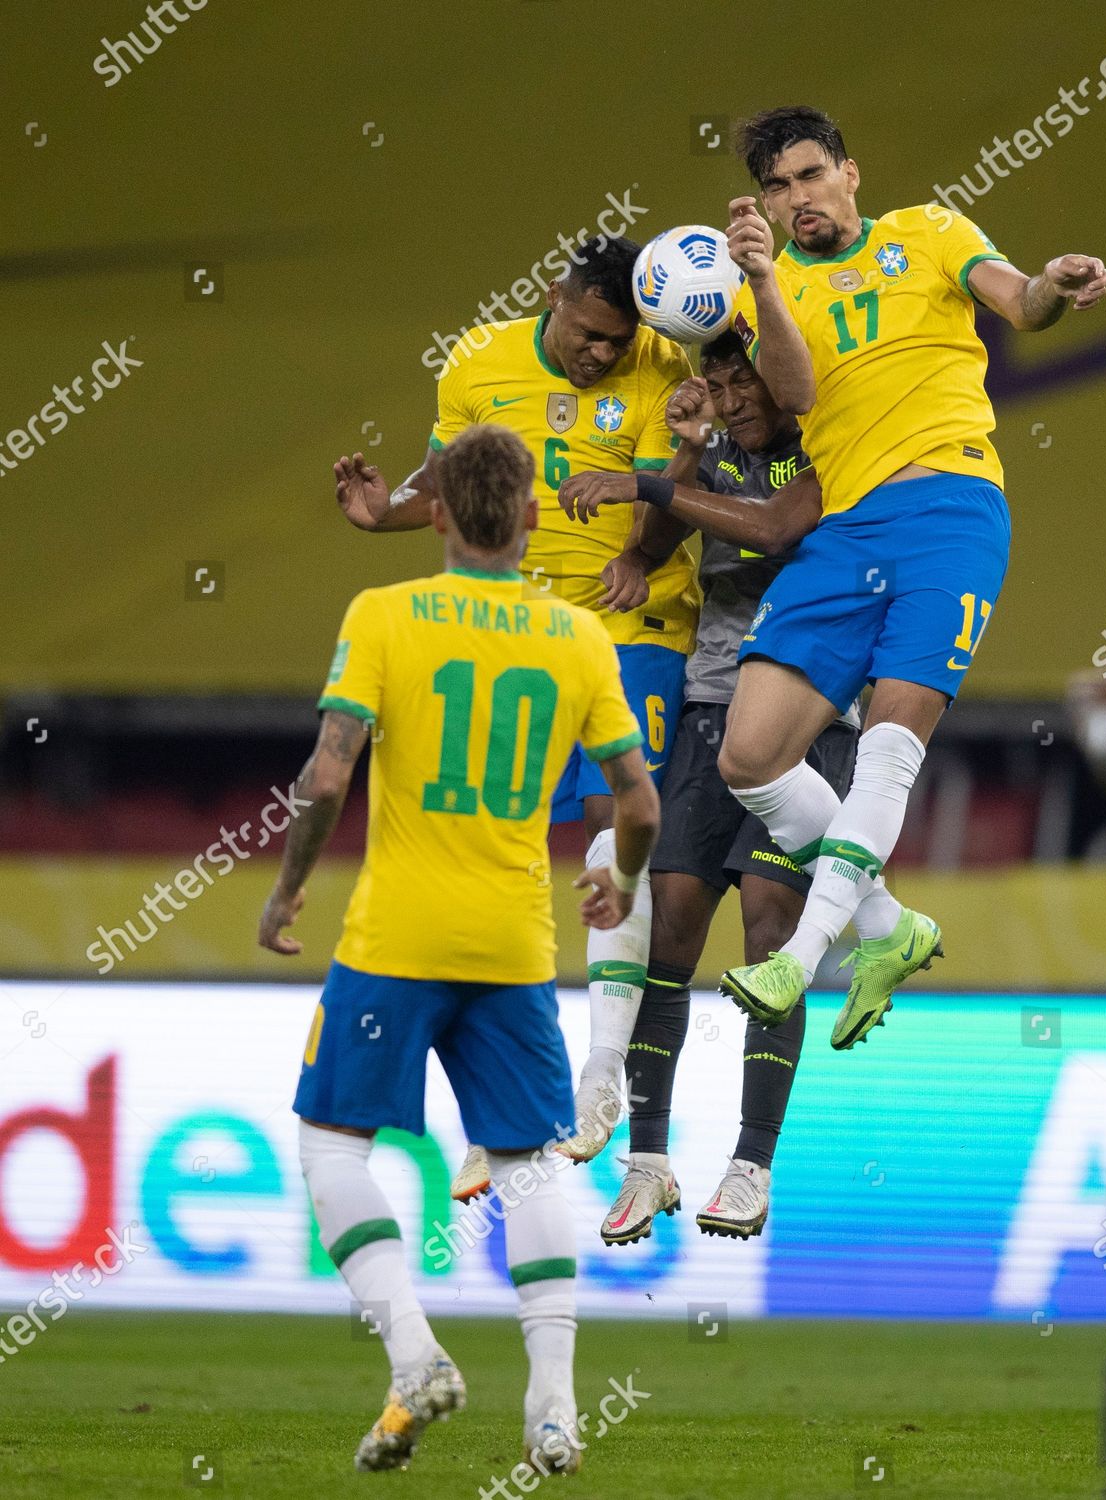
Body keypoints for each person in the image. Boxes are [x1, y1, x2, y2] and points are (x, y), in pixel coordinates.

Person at [565, 104, 1106, 1048]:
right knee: (746, 756)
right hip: (847, 528)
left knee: (889, 743)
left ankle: (801, 952)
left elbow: (1018, 300)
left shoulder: (930, 231)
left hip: (949, 508)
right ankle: (886, 927)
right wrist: (763, 284)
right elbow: (797, 392)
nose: (796, 199)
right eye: (777, 188)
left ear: (850, 173)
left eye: (810, 176)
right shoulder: (763, 292)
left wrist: (1054, 285)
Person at [259, 425, 660, 1474]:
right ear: (530, 514)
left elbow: (326, 778)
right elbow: (638, 798)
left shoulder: (383, 615)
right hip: (513, 941)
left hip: (395, 933)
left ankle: (411, 1354)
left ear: (433, 509)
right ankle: (555, 1410)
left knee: (332, 1147)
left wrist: (289, 889)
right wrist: (614, 877)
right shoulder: (577, 637)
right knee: (530, 1170)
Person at [333, 237, 698, 1188]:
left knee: (612, 828)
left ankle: (599, 1078)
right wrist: (386, 514)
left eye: (617, 342)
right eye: (588, 334)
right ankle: (499, 1111)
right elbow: (455, 485)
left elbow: (668, 493)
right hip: (516, 635)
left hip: (633, 625)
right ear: (555, 299)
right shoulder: (475, 361)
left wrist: (644, 553)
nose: (600, 355)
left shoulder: (662, 365)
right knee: (496, 846)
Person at [566, 332, 856, 1245]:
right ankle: (647, 1163)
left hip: (809, 717)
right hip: (707, 711)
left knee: (769, 931)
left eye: (745, 384)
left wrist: (647, 480)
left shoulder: (831, 450)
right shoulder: (715, 451)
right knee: (669, 928)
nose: (730, 399)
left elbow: (775, 530)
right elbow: (651, 550)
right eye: (720, 382)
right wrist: (684, 453)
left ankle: (750, 1165)